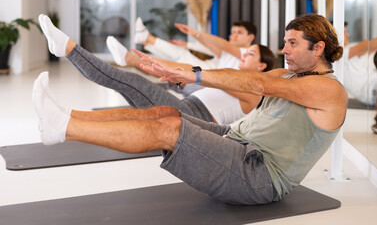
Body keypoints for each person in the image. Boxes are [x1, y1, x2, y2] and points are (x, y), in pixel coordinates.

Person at [33, 14, 347, 205]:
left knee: (170, 130)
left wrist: (195, 75)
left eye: (292, 44)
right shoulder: (289, 74)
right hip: (233, 138)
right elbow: (241, 79)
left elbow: (257, 85)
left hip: (258, 175)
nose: (284, 50)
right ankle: (66, 118)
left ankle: (63, 128)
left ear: (318, 48)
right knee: (162, 114)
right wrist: (175, 70)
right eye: (285, 42)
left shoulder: (329, 91)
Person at [37, 14, 274, 125]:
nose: (244, 55)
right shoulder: (235, 74)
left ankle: (67, 49)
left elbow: (211, 78)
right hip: (189, 108)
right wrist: (156, 64)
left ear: (262, 66)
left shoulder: (254, 91)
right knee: (130, 109)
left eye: (250, 54)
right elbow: (205, 74)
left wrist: (176, 69)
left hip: (194, 117)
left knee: (131, 82)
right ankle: (64, 118)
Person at [117, 18, 257, 71]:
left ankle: (144, 43)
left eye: (239, 32)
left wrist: (195, 33)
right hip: (211, 68)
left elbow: (222, 46)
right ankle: (147, 41)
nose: (234, 35)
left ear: (250, 37)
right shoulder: (231, 51)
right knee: (179, 55)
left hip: (212, 73)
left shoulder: (248, 52)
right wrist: (187, 45)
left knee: (180, 57)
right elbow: (211, 49)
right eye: (233, 32)